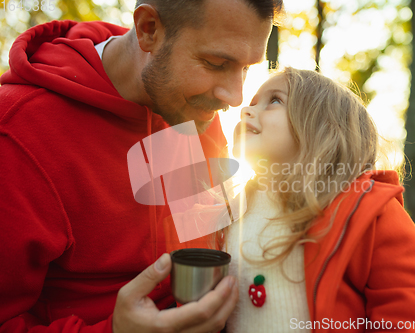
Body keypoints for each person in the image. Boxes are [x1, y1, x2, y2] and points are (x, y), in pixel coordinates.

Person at [0, 0, 283, 332]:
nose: (235, 97)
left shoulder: (194, 108)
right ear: (149, 28)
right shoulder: (19, 135)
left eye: (247, 68)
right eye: (217, 63)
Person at [224, 67, 415, 332]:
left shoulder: (367, 209)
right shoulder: (232, 207)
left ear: (322, 128)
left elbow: (414, 312)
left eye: (274, 100)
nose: (245, 111)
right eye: (251, 103)